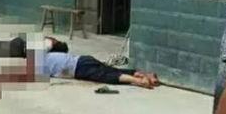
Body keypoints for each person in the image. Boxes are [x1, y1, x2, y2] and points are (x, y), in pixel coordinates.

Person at [10, 36, 160, 89]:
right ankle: (142, 75)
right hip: (81, 60)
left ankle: (139, 81)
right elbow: (51, 42)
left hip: (78, 69)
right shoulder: (40, 50)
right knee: (109, 70)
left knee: (107, 76)